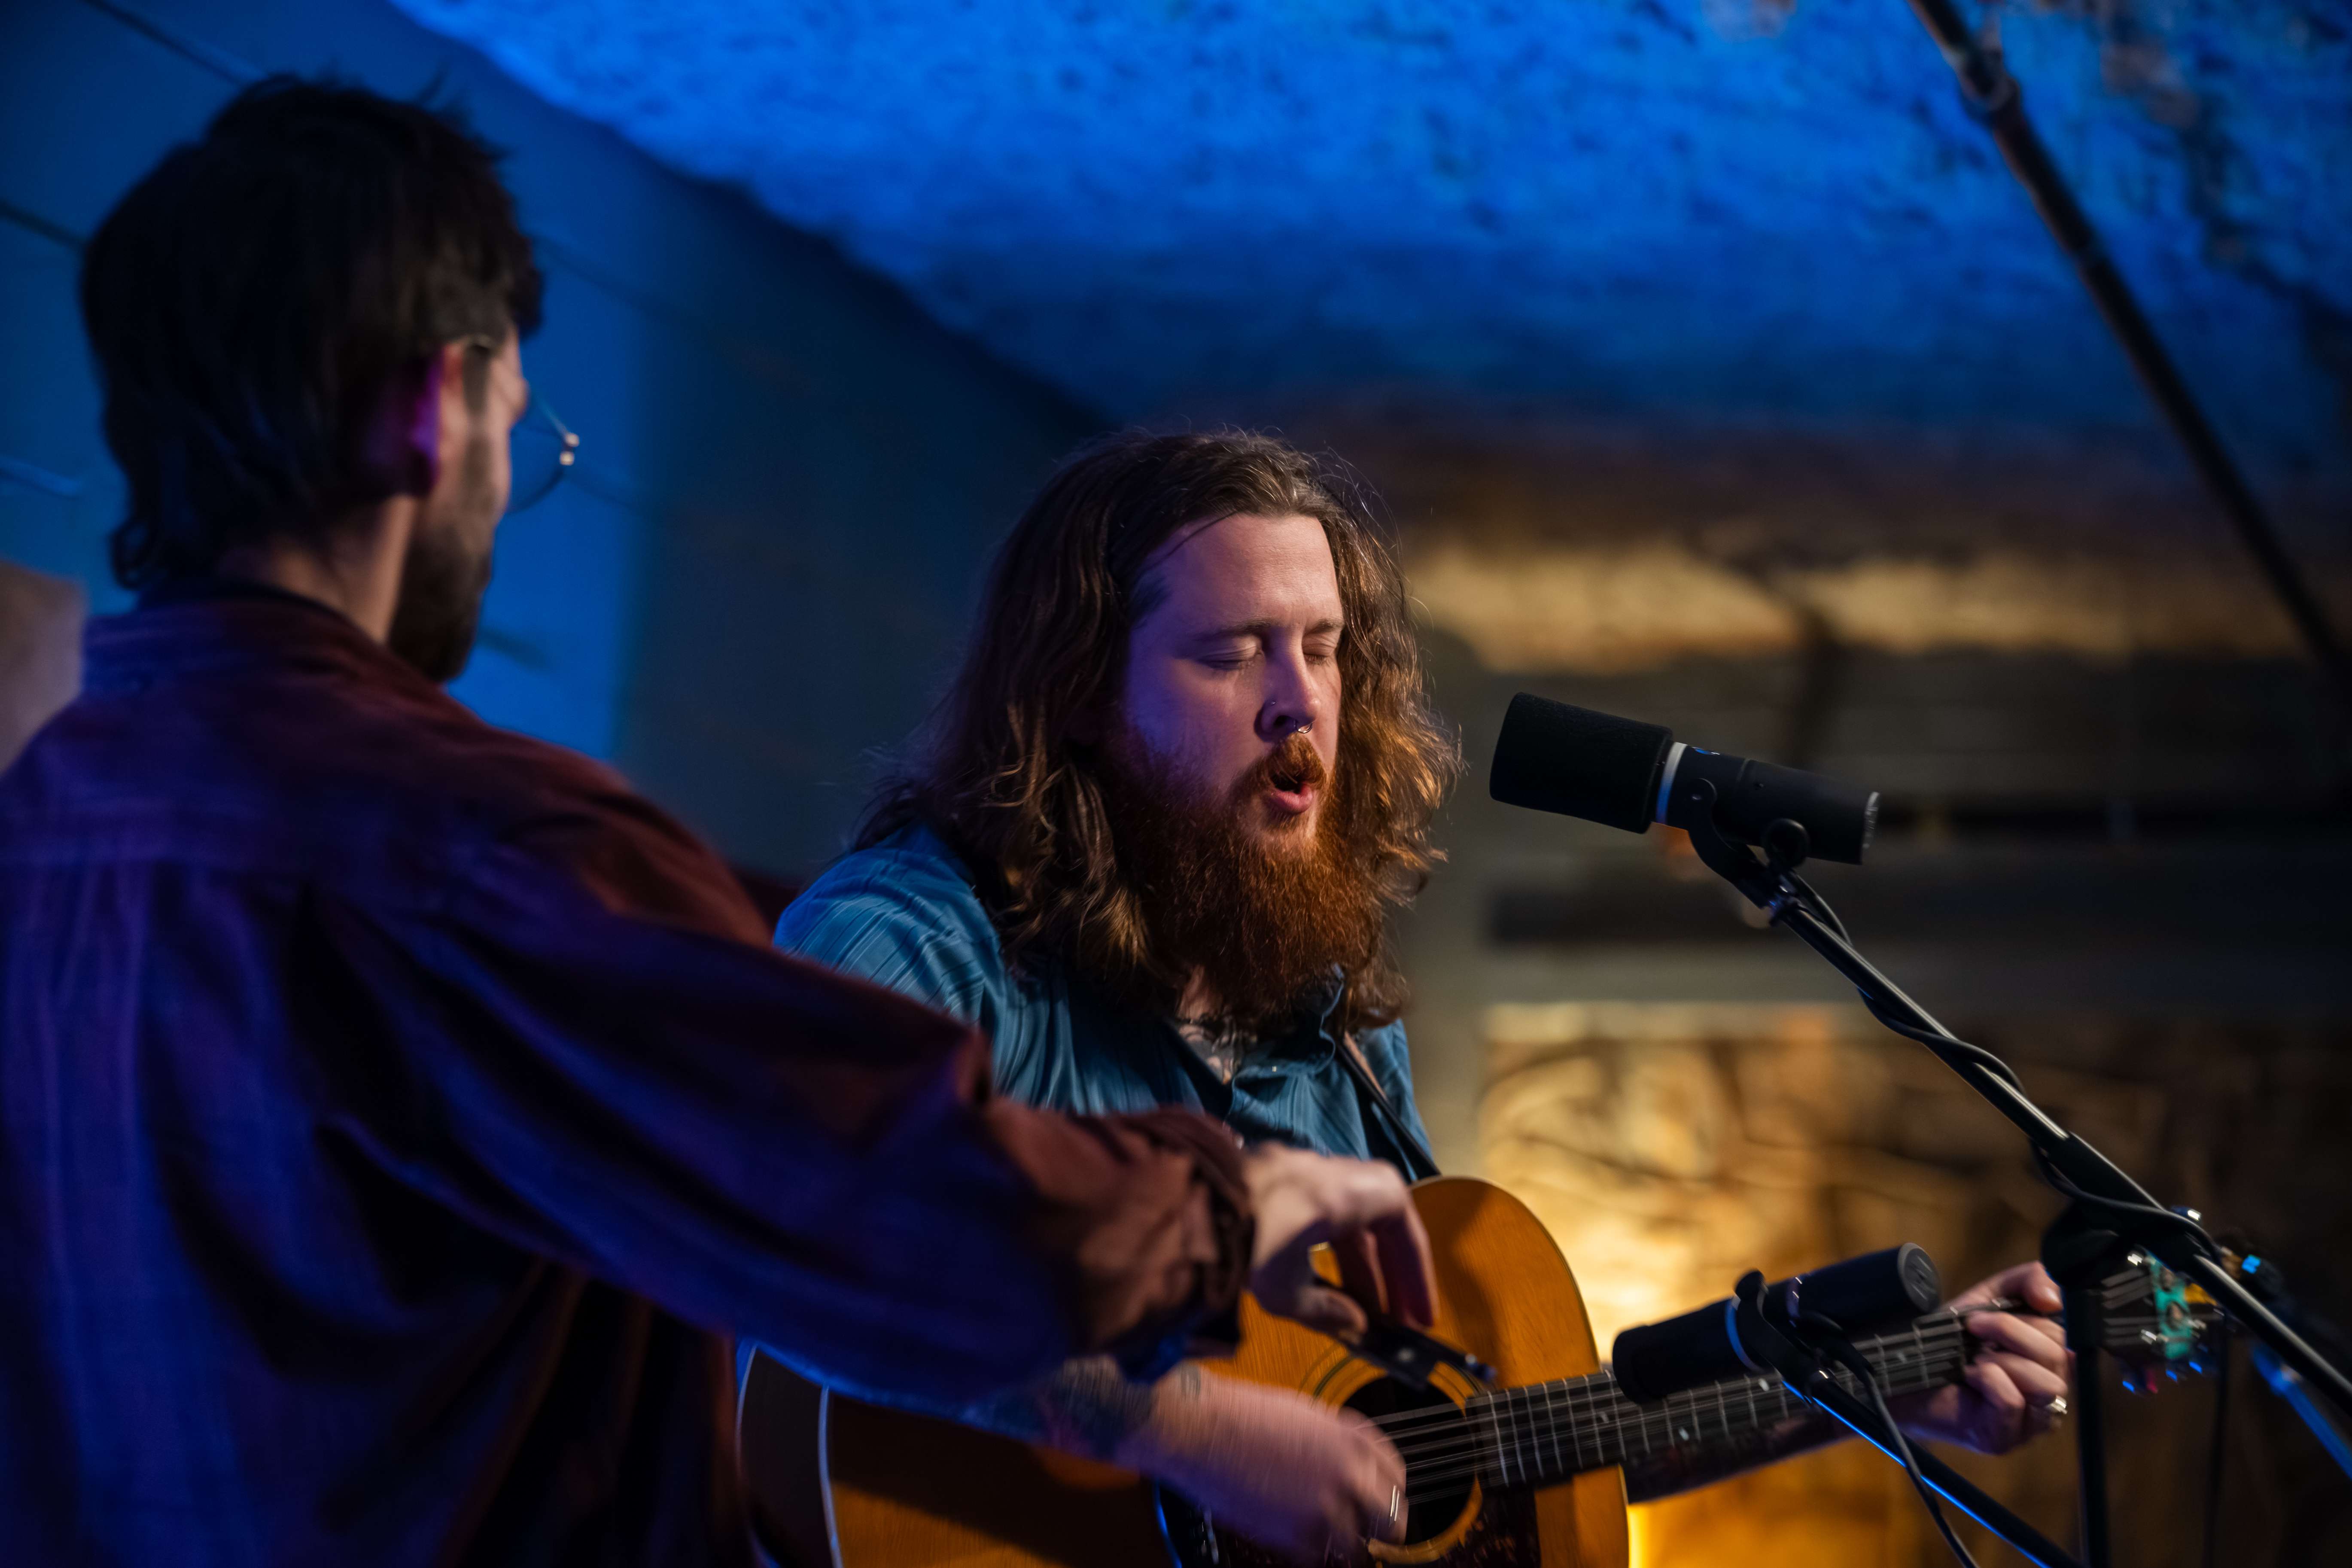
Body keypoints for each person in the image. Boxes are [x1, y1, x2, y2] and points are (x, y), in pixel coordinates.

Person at [0, 83, 1440, 1568]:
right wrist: (1230, 1198)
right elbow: (874, 1197)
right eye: (519, 433)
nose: (508, 492)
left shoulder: (34, 830)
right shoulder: (485, 855)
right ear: (434, 406)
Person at [748, 429, 2074, 1561]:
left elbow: (1474, 1443)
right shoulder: (924, 937)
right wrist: (1186, 1431)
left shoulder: (1340, 1031)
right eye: (1233, 654)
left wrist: (1865, 1394)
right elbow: (801, 1233)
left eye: (1323, 650)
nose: (1298, 708)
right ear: (1082, 697)